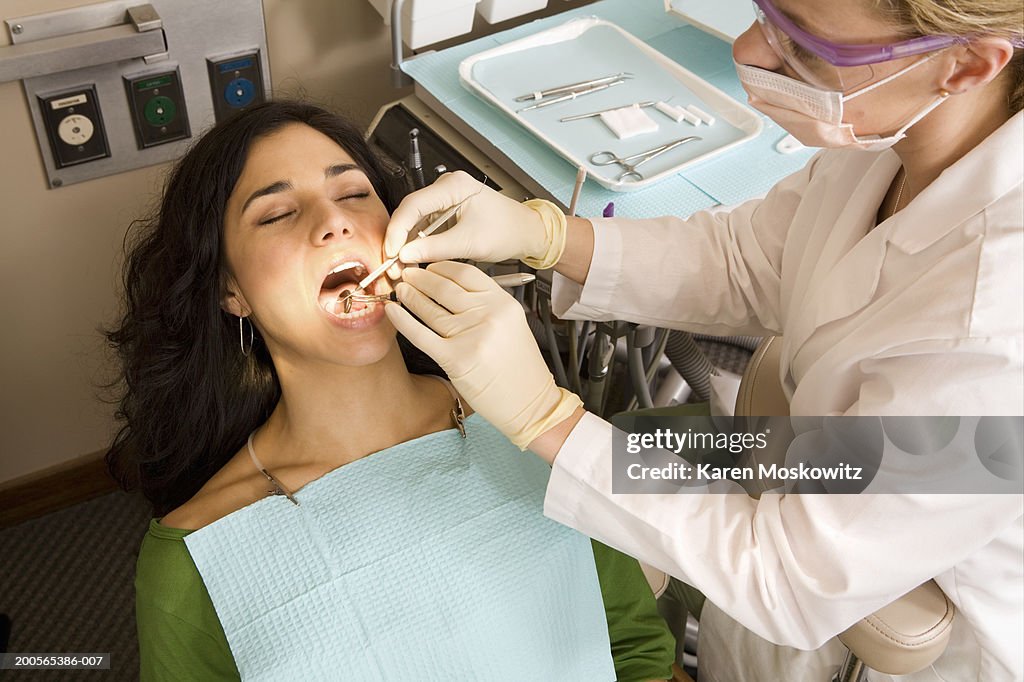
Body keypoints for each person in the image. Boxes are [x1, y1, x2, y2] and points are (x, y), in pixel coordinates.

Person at [380, 0, 1024, 679]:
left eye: (807, 48)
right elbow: (754, 257)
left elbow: (786, 575)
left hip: (917, 620)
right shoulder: (900, 137)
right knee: (639, 441)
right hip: (805, 461)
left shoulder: (996, 323)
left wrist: (550, 422)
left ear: (966, 65)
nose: (751, 52)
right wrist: (548, 236)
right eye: (768, 13)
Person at [104, 101, 677, 681]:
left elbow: (637, 650)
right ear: (231, 290)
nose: (333, 221)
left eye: (353, 194)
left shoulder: (537, 425)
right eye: (276, 213)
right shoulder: (195, 561)